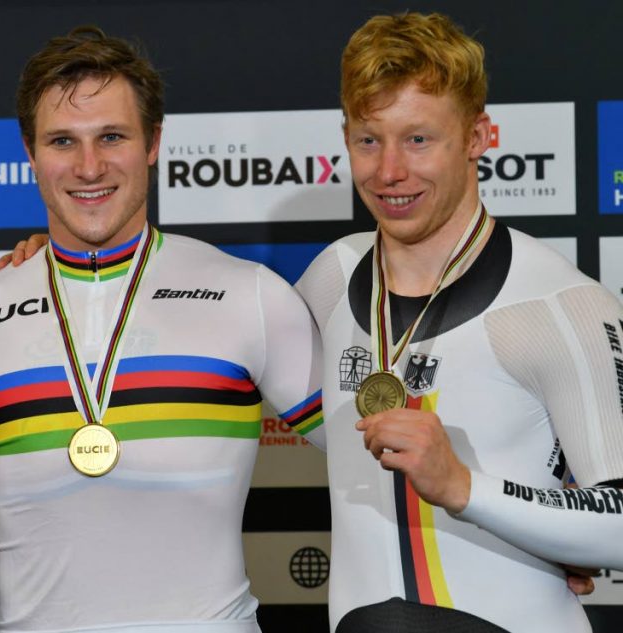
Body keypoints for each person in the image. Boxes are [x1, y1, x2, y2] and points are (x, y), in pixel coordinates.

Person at [0, 25, 322, 633]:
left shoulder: (245, 294)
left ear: (153, 143)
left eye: (111, 137)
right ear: (30, 151)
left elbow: (373, 452)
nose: (89, 167)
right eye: (63, 140)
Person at [292, 12, 623, 632]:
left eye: (419, 140)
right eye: (368, 139)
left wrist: (469, 489)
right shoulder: (331, 277)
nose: (389, 171)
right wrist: (56, 266)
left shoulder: (559, 305)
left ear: (478, 136)